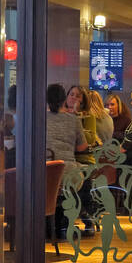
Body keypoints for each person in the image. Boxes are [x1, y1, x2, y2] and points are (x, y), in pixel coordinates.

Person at [46, 83, 91, 239]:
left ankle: (50, 224)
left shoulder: (39, 118)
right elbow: (82, 147)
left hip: (44, 172)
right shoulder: (73, 120)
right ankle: (70, 223)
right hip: (67, 172)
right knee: (84, 177)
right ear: (63, 99)